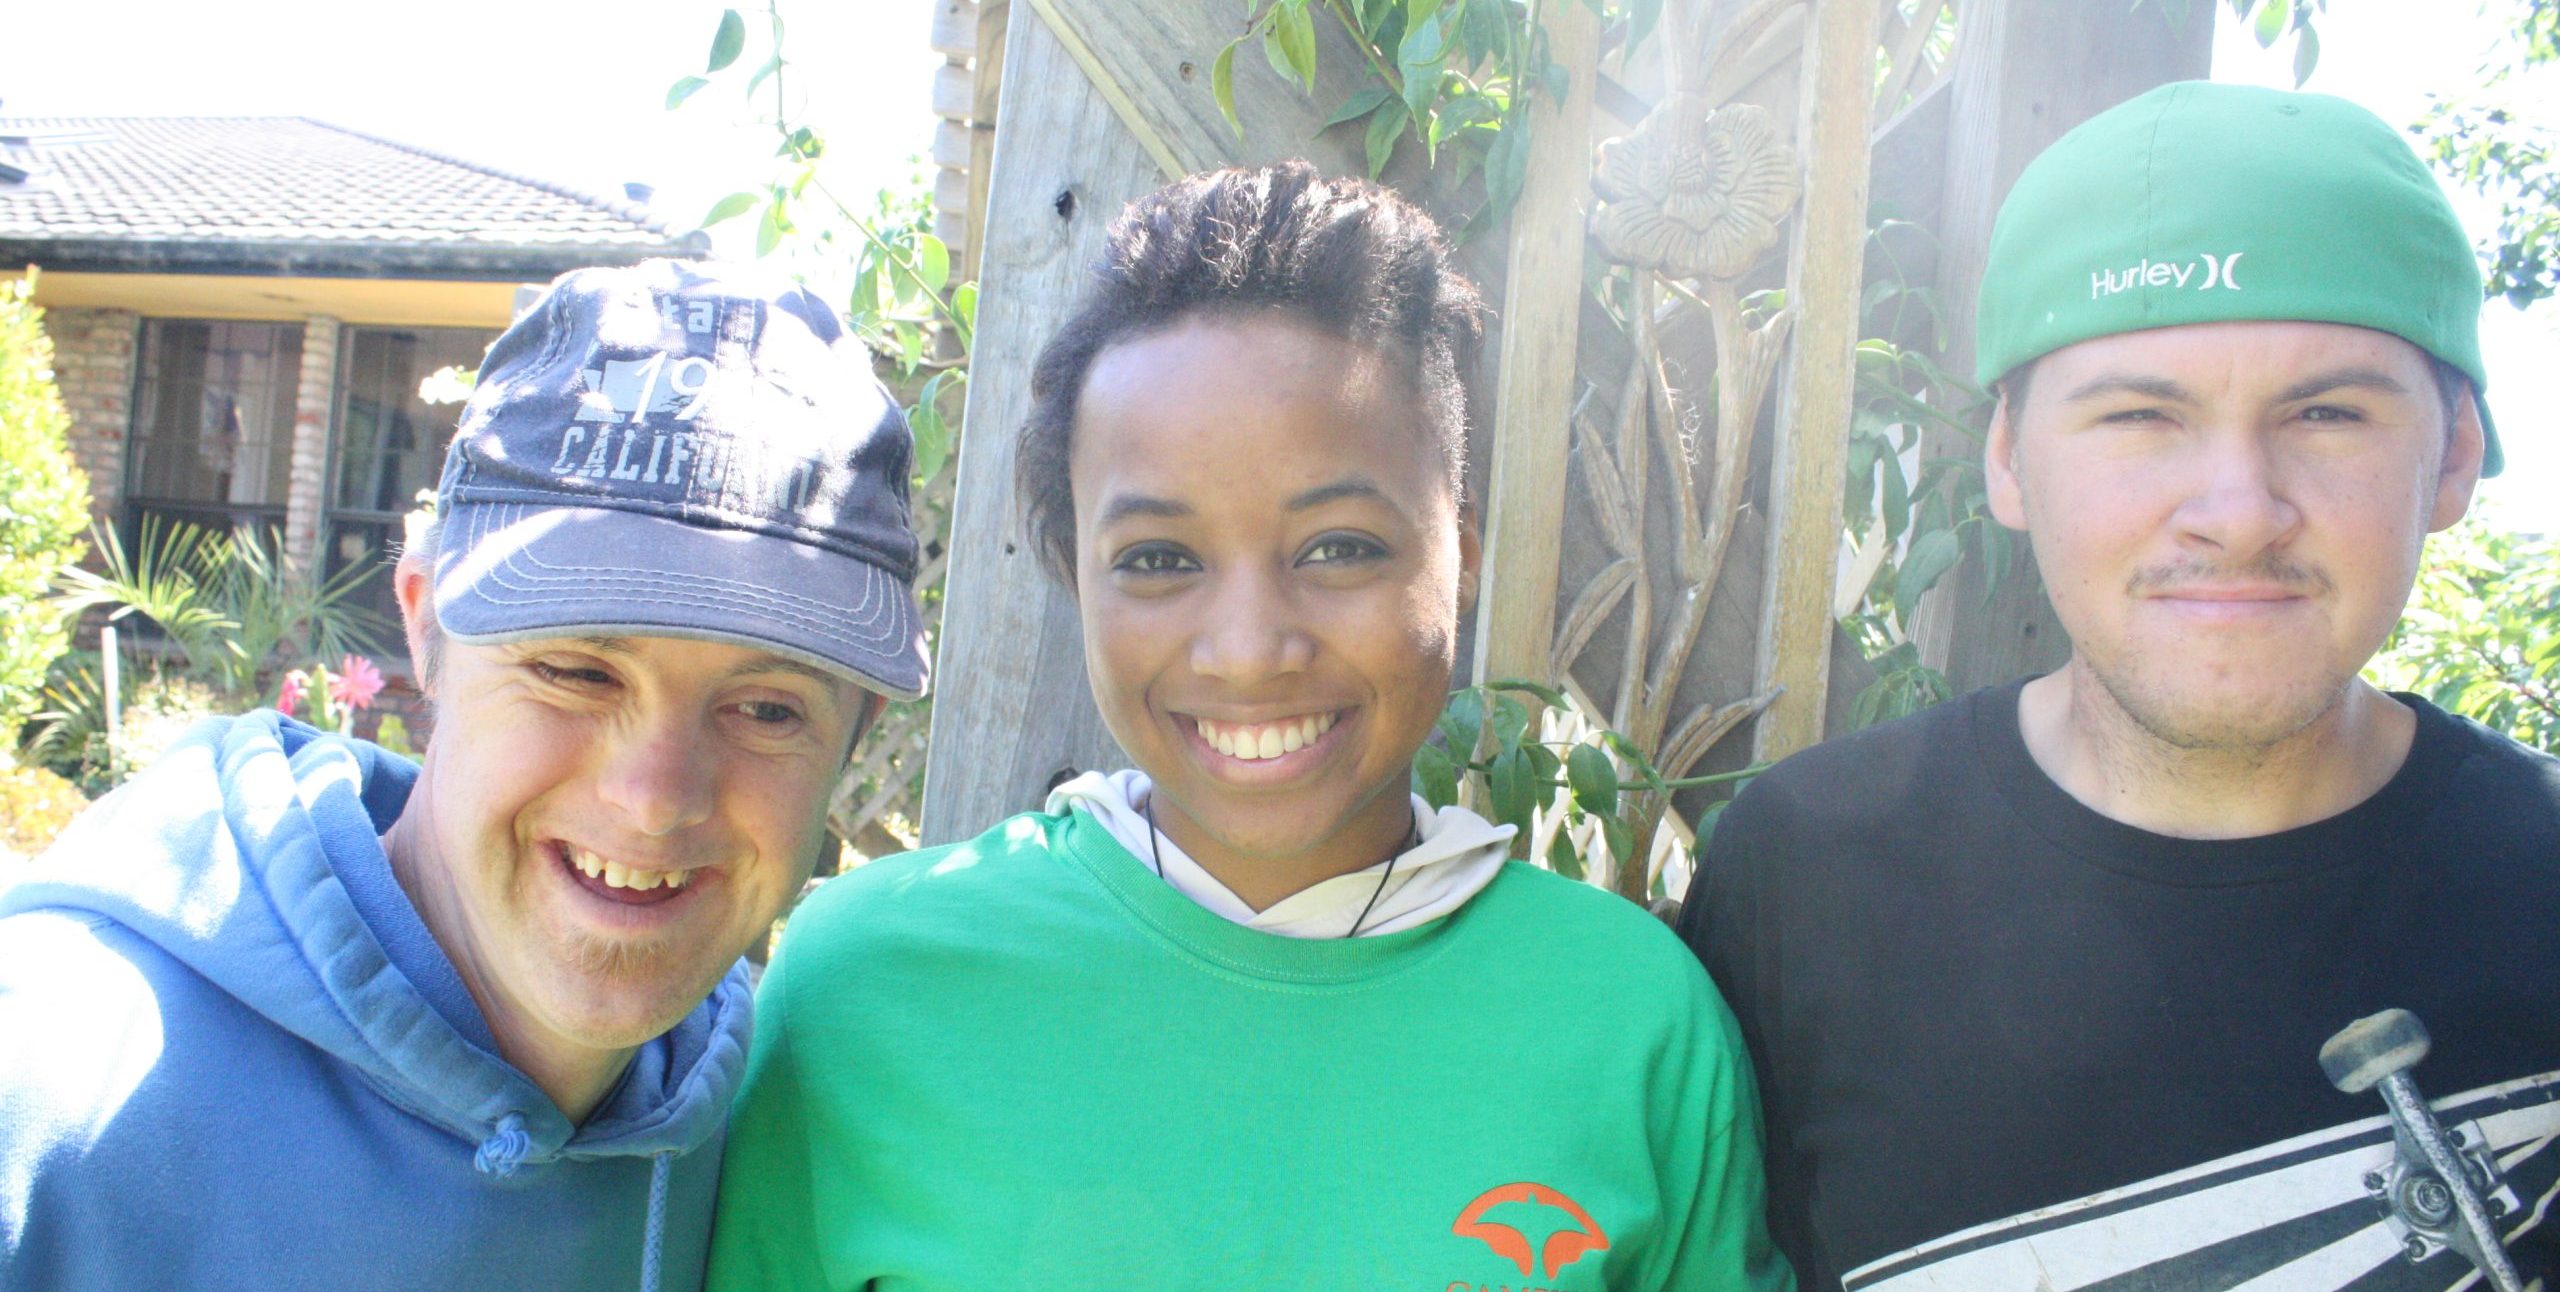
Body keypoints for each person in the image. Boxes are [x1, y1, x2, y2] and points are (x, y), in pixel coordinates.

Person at [704, 162, 1794, 1290]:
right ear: (1080, 583)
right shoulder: (866, 989)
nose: (1248, 646)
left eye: (1338, 547)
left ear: (1459, 557)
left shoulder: (1627, 1020)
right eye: (1159, 560)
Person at [1679, 81, 2560, 1291]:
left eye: (2326, 412)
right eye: (2142, 415)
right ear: (2006, 458)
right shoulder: (1802, 869)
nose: (2238, 511)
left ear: (2453, 454)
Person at [0, 260, 930, 1291]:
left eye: (767, 707)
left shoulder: (776, 1144)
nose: (657, 793)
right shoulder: (49, 1089)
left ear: (857, 730)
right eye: (576, 669)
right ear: (423, 619)